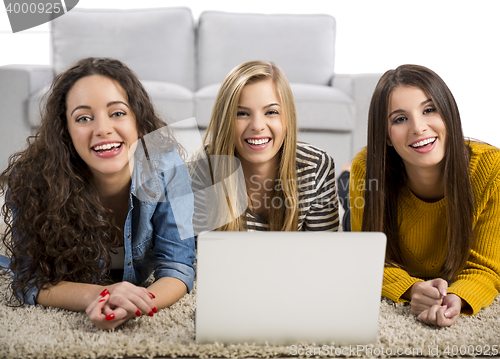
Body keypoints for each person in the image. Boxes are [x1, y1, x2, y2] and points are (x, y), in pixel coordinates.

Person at [0, 57, 196, 330]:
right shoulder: (30, 180)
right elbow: (29, 279)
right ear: (65, 131)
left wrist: (136, 302)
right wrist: (100, 295)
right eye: (83, 118)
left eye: (117, 113)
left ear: (138, 120)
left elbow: (178, 266)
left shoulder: (167, 167)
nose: (103, 129)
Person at [349, 64, 500, 327]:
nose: (418, 128)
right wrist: (411, 290)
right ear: (385, 136)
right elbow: (368, 260)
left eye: (429, 110)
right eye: (399, 119)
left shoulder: (492, 169)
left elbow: (487, 267)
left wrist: (458, 296)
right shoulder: (366, 167)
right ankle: (343, 174)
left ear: (449, 114)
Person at [190, 60, 339, 232]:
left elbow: (324, 254)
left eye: (271, 112)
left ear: (287, 118)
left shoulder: (315, 167)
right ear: (226, 121)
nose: (257, 125)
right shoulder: (203, 166)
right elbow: (193, 255)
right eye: (242, 113)